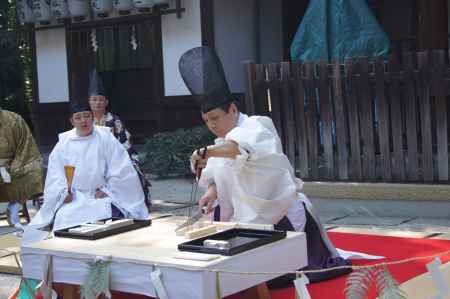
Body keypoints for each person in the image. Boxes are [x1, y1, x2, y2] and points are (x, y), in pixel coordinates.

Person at [179, 46, 351, 283]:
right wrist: (211, 191)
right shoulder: (220, 142)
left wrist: (208, 152)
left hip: (279, 215)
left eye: (216, 118)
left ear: (233, 109)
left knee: (276, 278)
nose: (212, 125)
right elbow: (223, 173)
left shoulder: (257, 126)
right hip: (243, 217)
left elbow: (238, 150)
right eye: (207, 121)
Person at [28, 101, 148, 232]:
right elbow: (55, 175)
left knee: (112, 217)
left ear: (92, 118)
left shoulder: (105, 138)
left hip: (102, 193)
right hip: (75, 195)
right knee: (65, 218)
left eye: (86, 116)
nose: (83, 121)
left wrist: (108, 189)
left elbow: (121, 168)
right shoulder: (63, 144)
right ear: (72, 122)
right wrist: (63, 192)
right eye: (78, 118)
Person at [87, 69, 151, 208]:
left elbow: (125, 142)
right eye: (94, 99)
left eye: (100, 100)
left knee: (132, 170)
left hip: (115, 159)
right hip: (90, 159)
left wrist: (120, 159)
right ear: (89, 102)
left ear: (106, 102)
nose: (97, 103)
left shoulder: (114, 120)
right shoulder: (86, 121)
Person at [0, 107, 43, 226]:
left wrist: (15, 168)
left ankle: (15, 206)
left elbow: (26, 147)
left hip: (13, 163)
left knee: (33, 167)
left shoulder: (13, 119)